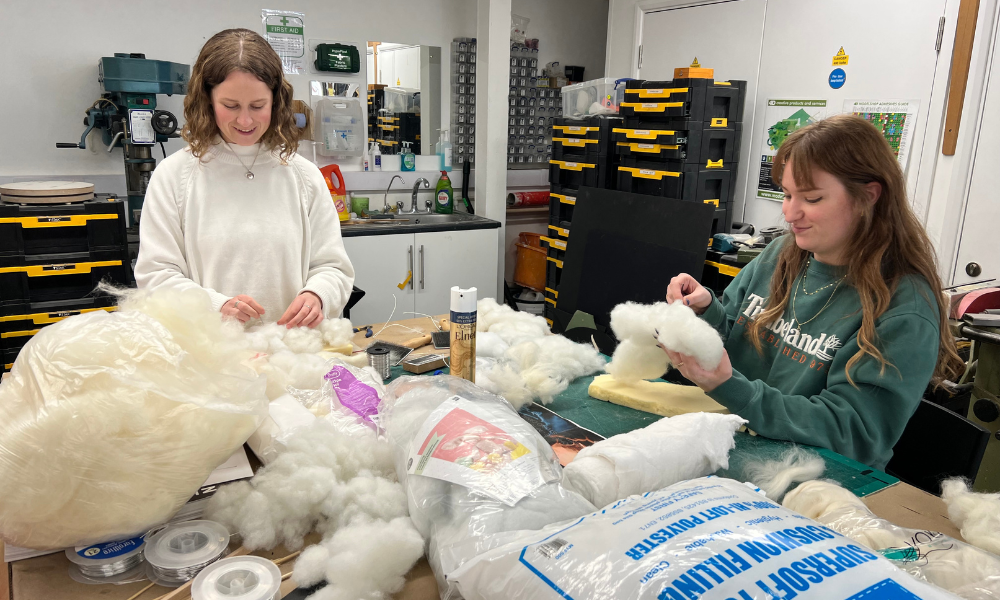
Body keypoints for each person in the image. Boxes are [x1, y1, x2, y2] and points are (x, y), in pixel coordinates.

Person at [664, 114, 962, 469]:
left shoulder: (903, 306)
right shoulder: (783, 255)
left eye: (813, 198)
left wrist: (731, 388)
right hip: (733, 444)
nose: (790, 213)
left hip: (818, 478)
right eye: (787, 194)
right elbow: (736, 336)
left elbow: (853, 430)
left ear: (867, 197)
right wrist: (706, 312)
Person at [135, 28, 354, 328]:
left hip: (294, 356)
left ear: (276, 101)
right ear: (207, 100)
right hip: (211, 360)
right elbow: (155, 277)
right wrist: (215, 306)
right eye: (231, 106)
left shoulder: (304, 176)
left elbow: (333, 268)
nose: (245, 120)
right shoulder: (174, 177)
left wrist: (318, 295)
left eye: (257, 106)